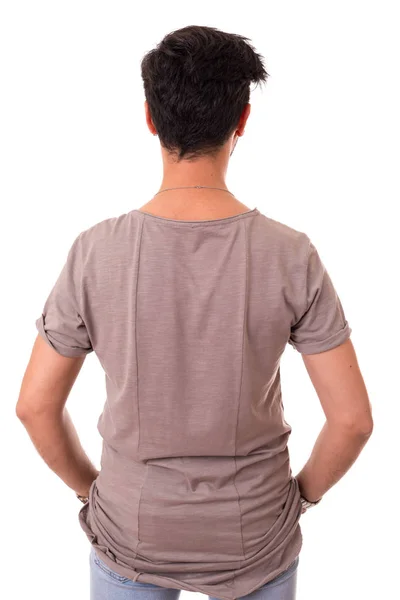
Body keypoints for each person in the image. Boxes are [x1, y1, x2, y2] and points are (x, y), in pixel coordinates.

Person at [16, 25, 373, 600]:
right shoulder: (290, 254)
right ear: (243, 121)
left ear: (151, 119)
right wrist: (301, 498)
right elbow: (353, 420)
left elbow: (34, 407)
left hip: (130, 527)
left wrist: (92, 491)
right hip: (255, 533)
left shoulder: (95, 251)